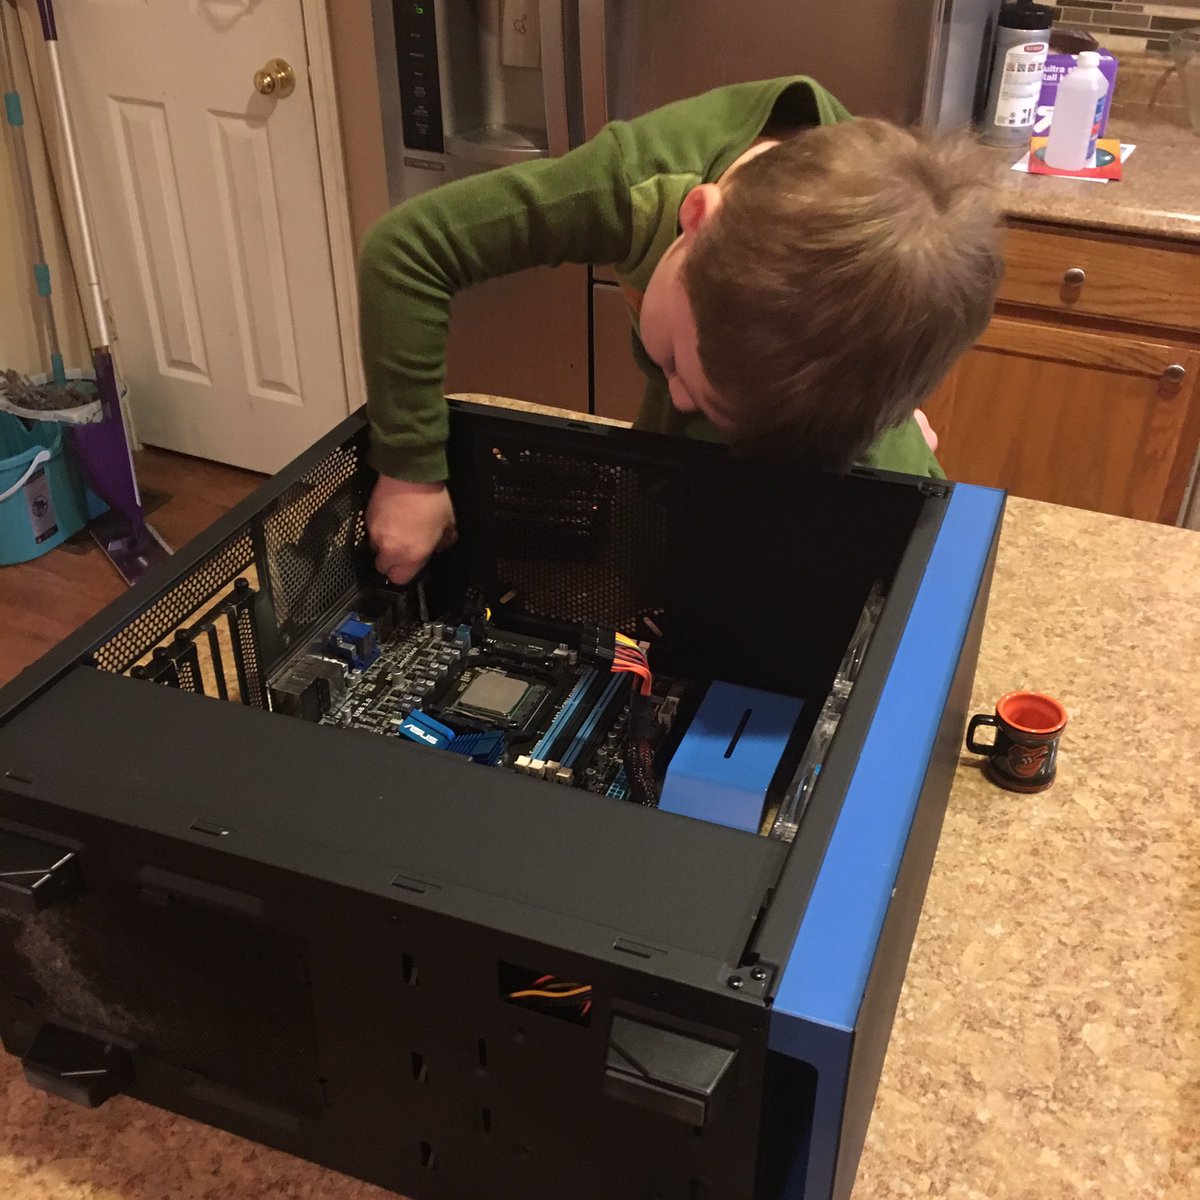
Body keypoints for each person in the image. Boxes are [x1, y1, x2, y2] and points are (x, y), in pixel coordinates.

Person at [359, 77, 1002, 585]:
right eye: (677, 367)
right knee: (653, 586)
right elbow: (409, 248)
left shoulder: (895, 237)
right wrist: (411, 475)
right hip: (673, 484)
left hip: (837, 470)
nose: (681, 397)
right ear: (694, 221)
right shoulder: (641, 181)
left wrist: (890, 413)